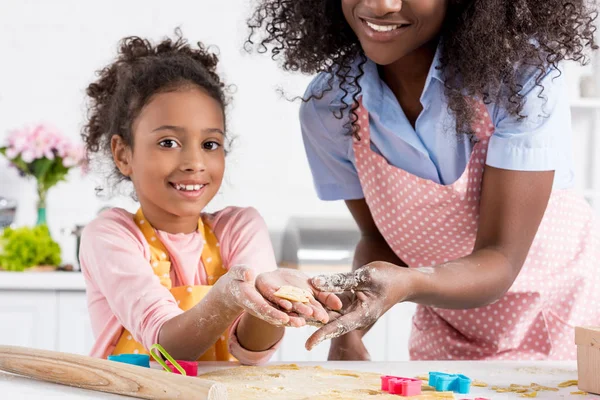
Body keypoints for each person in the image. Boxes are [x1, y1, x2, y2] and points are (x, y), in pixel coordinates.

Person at [247, 0, 600, 361]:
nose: (379, 5)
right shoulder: (332, 107)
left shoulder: (520, 82)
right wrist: (348, 331)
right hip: (449, 326)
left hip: (564, 320)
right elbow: (380, 241)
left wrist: (407, 283)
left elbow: (501, 259)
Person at [79, 31, 340, 364]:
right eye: (168, 143)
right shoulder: (111, 236)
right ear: (123, 153)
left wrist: (271, 300)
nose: (194, 163)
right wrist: (227, 298)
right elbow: (166, 349)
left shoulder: (238, 227)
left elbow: (252, 352)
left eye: (210, 144)